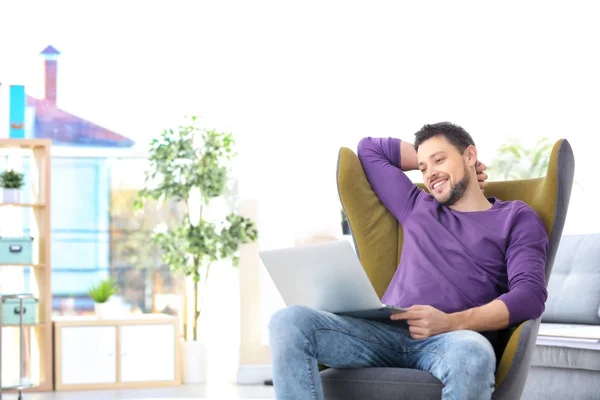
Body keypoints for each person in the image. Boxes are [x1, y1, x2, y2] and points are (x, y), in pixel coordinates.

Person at [268, 122, 549, 400]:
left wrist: (450, 322)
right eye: (423, 167)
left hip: (454, 339)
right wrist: (433, 164)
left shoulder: (515, 217)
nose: (430, 174)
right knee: (288, 321)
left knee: (473, 355)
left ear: (470, 155)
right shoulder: (416, 205)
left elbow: (529, 296)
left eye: (440, 159)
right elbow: (369, 149)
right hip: (381, 333)